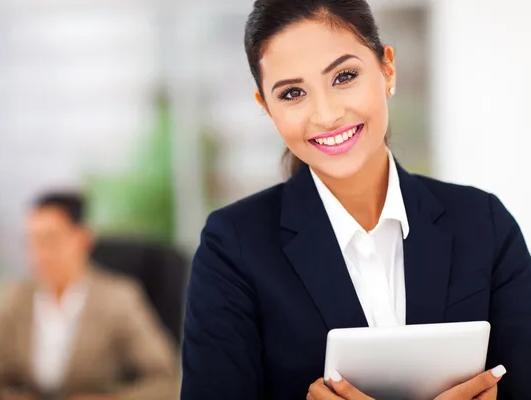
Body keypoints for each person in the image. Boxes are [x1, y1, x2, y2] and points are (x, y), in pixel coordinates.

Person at [180, 1, 531, 399]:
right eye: (293, 93)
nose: (327, 114)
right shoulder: (233, 246)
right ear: (267, 107)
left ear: (388, 70)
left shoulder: (483, 225)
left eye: (344, 76)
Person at [0, 192, 179, 400]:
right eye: (32, 242)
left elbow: (166, 381)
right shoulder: (15, 299)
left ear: (82, 239)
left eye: (50, 240)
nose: (39, 255)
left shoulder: (119, 298)